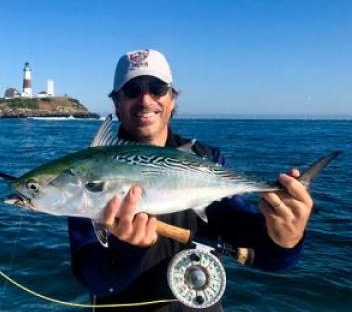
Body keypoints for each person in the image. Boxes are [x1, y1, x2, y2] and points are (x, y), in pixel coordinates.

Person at [68, 49, 313, 311]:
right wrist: (126, 251)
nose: (145, 99)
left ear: (172, 100)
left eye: (157, 88)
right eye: (132, 90)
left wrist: (286, 240)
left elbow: (265, 257)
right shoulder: (91, 172)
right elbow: (94, 280)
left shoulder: (207, 159)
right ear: (117, 102)